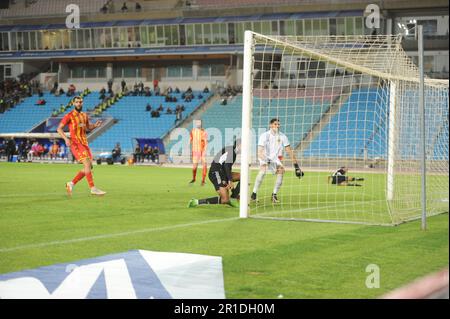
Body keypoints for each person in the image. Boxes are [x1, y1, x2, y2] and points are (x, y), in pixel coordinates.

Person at [57, 96, 106, 196]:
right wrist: (66, 139)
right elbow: (59, 129)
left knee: (89, 166)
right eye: (77, 102)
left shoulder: (84, 115)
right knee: (87, 165)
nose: (79, 104)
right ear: (73, 104)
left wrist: (95, 126)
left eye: (81, 102)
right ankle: (93, 188)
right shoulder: (69, 116)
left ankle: (71, 183)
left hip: (84, 143)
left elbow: (88, 127)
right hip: (75, 143)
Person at [251, 118, 304, 203]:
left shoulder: (283, 136)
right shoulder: (264, 136)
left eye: (278, 124)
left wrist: (296, 166)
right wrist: (266, 159)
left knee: (281, 171)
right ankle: (254, 194)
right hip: (264, 156)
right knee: (263, 171)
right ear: (270, 125)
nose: (277, 126)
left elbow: (289, 151)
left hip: (275, 159)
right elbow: (259, 152)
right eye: (275, 124)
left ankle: (274, 195)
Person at [187, 139, 241, 208]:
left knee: (243, 177)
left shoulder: (232, 151)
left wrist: (231, 187)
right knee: (225, 200)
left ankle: (233, 197)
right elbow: (227, 166)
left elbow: (226, 167)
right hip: (215, 173)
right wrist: (230, 180)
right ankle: (196, 202)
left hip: (222, 173)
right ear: (239, 145)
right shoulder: (231, 151)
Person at [189, 120, 208, 186]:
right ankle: (194, 179)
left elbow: (205, 142)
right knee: (194, 167)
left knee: (204, 165)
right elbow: (190, 139)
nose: (198, 124)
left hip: (202, 151)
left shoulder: (203, 132)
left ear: (201, 124)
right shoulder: (192, 131)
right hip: (195, 151)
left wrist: (205, 150)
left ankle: (203, 180)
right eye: (197, 122)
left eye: (199, 122)